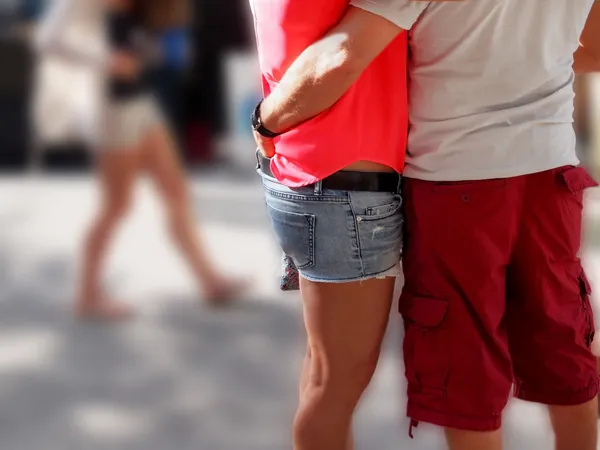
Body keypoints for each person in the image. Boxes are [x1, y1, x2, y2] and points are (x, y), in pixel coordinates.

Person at [252, 1, 600, 450]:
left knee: (466, 372)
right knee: (563, 347)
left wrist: (264, 122)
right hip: (549, 172)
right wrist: (527, 56)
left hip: (457, 177)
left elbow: (340, 55)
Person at [249, 1, 409, 449]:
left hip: (308, 175)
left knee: (323, 374)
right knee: (334, 388)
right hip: (345, 190)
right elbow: (338, 57)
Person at [38, 0, 245, 320]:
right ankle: (87, 295)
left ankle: (210, 282)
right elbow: (48, 39)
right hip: (112, 111)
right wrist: (106, 61)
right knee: (117, 206)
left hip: (140, 102)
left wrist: (150, 50)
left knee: (176, 192)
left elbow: (138, 38)